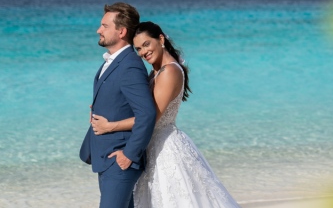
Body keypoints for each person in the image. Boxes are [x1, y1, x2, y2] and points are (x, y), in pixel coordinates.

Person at [90, 22, 241, 208]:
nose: (143, 52)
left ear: (160, 39)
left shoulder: (170, 71)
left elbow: (150, 118)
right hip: (150, 147)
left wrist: (110, 126)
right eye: (138, 49)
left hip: (165, 148)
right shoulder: (155, 71)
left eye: (146, 44)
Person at [80, 3, 157, 208]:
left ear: (121, 31)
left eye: (104, 26)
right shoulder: (115, 61)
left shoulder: (129, 65)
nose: (99, 30)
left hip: (119, 158)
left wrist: (129, 154)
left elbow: (147, 114)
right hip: (106, 156)